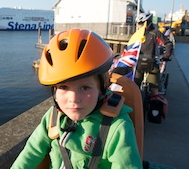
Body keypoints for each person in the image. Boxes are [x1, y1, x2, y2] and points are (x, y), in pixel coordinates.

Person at [11, 28, 142, 168]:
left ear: (102, 88)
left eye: (85, 88)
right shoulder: (53, 117)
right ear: (54, 90)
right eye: (63, 87)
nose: (73, 99)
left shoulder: (116, 127)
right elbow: (31, 153)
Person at [135, 13, 173, 96]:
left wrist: (166, 55)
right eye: (138, 23)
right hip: (139, 63)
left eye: (141, 23)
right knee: (134, 88)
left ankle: (153, 107)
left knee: (154, 90)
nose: (138, 25)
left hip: (152, 63)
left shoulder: (155, 33)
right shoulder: (137, 34)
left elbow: (168, 44)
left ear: (147, 22)